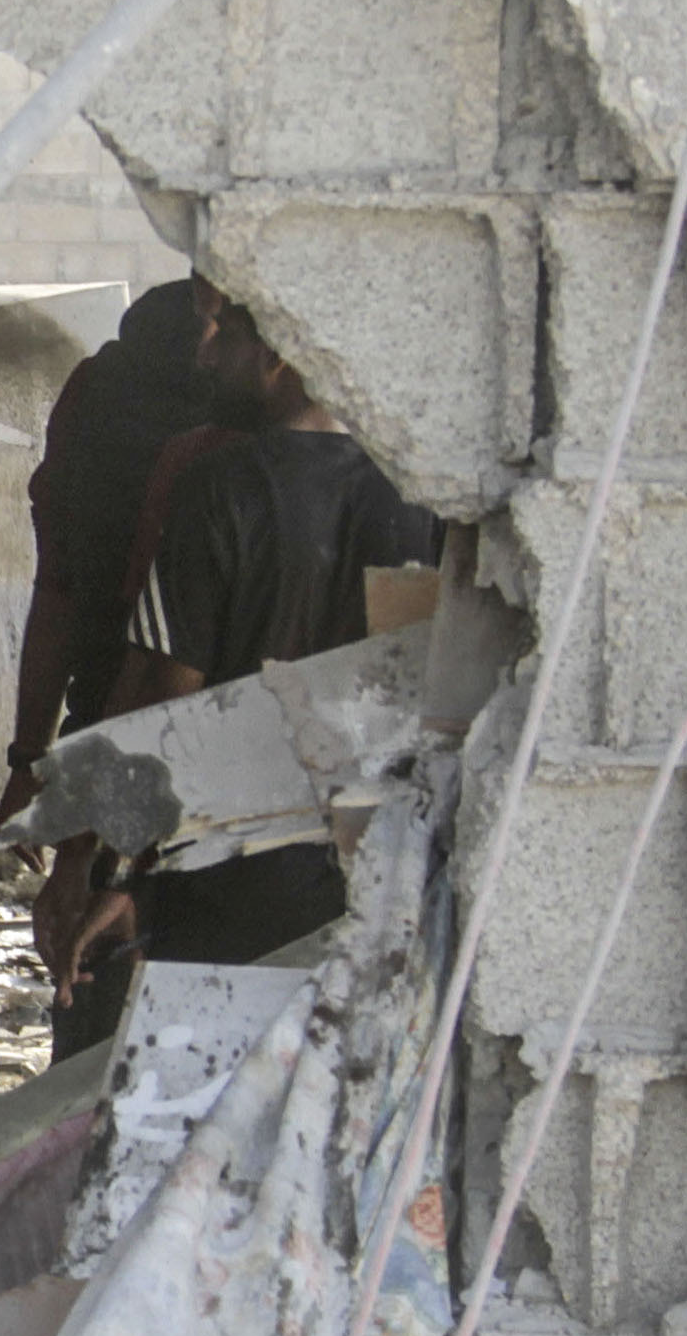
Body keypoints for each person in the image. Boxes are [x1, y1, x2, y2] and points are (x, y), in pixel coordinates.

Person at [54, 306, 438, 1007]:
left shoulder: (218, 489)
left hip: (227, 891)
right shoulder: (419, 499)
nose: (205, 358)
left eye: (225, 338)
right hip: (376, 885)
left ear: (280, 355)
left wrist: (116, 876)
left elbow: (174, 713)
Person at [0, 277, 221, 824]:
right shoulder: (255, 432)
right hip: (226, 752)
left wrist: (31, 761)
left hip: (111, 733)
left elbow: (56, 591)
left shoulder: (98, 388)